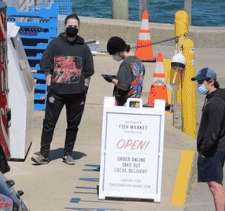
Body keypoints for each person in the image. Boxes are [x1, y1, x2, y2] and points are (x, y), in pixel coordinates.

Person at [31, 13, 94, 165]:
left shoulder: (84, 48)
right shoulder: (55, 44)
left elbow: (88, 71)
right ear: (65, 26)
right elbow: (45, 64)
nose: (72, 28)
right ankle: (44, 155)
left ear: (78, 28)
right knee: (49, 124)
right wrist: (49, 83)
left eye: (75, 26)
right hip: (57, 93)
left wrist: (85, 89)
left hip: (77, 94)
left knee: (73, 125)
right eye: (69, 26)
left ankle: (68, 153)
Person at [192, 67, 225, 211]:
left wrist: (205, 150)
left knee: (215, 186)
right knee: (215, 185)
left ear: (211, 82)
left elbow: (213, 131)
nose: (199, 85)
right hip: (214, 149)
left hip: (213, 150)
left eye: (201, 82)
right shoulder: (213, 99)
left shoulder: (215, 102)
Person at [102, 36, 145, 105]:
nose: (114, 57)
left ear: (119, 52)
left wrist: (111, 79)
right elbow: (131, 78)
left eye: (114, 54)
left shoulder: (126, 64)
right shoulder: (139, 62)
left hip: (124, 103)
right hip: (135, 101)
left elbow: (123, 86)